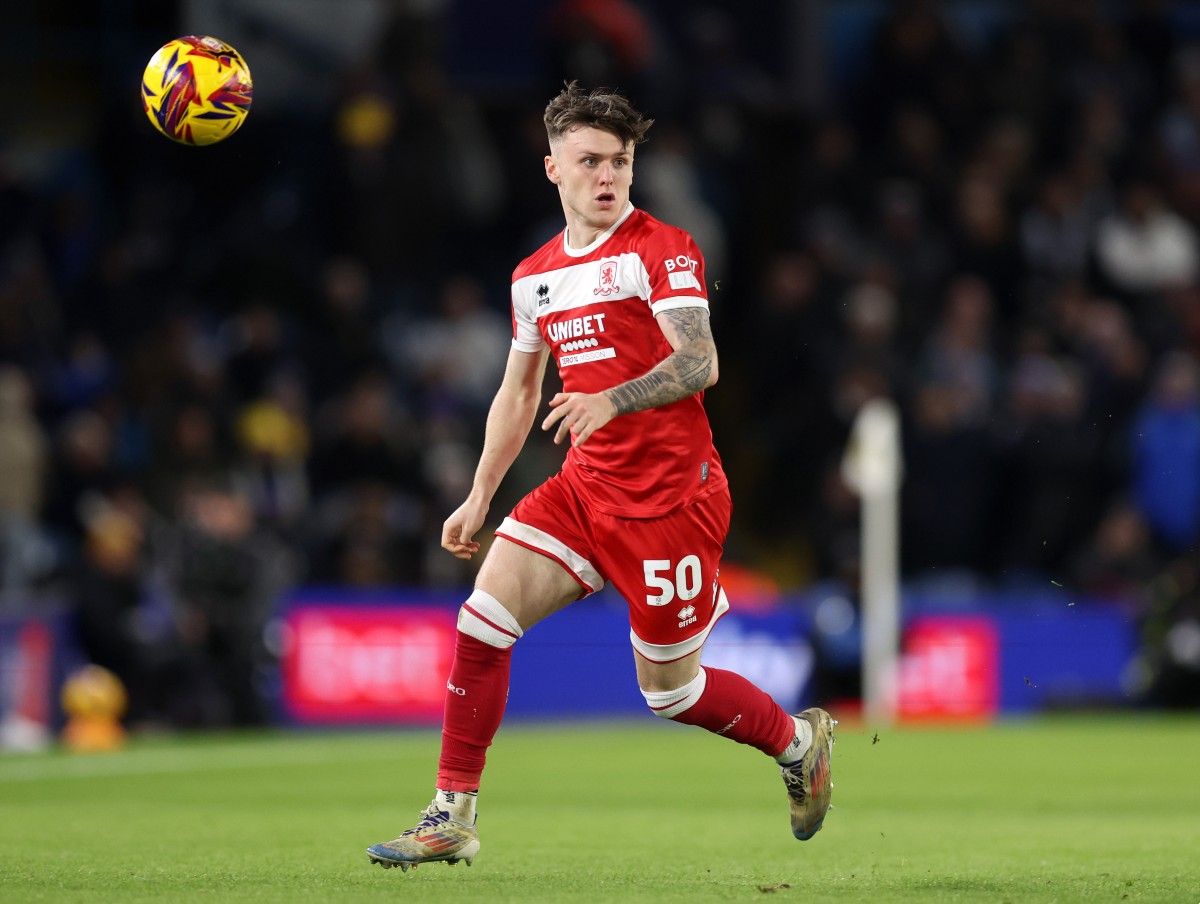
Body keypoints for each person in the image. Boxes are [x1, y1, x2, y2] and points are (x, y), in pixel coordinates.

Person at [366, 82, 836, 871]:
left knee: (671, 695)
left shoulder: (662, 249)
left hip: (671, 503)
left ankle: (798, 742)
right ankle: (452, 814)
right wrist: (480, 494)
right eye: (590, 161)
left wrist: (610, 399)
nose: (608, 176)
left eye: (620, 160)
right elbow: (518, 393)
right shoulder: (534, 277)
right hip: (585, 492)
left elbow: (701, 361)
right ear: (553, 168)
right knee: (482, 620)